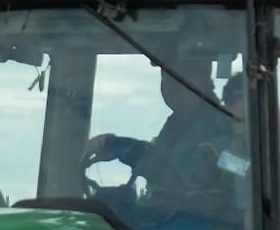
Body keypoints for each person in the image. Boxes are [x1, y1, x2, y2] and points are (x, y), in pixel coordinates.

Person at [83, 65, 234, 221]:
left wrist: (131, 152)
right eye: (166, 78)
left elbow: (236, 171)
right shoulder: (173, 128)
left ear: (203, 80)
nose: (171, 86)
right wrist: (116, 148)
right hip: (165, 222)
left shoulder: (228, 131)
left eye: (180, 77)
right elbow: (160, 160)